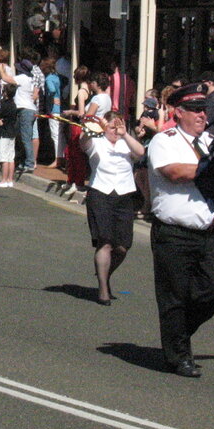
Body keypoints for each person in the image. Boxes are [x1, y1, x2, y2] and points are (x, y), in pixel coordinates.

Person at [147, 83, 214, 377]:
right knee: (174, 296)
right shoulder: (165, 140)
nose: (203, 115)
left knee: (213, 291)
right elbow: (174, 173)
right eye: (196, 110)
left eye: (204, 110)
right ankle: (178, 356)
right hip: (173, 233)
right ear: (179, 113)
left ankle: (176, 336)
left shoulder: (211, 143)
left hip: (207, 231)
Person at [81, 111, 145, 305]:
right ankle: (102, 290)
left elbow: (141, 153)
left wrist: (125, 134)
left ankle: (105, 273)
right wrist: (93, 128)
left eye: (118, 127)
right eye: (112, 127)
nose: (115, 132)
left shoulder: (126, 143)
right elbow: (84, 142)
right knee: (105, 242)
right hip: (100, 193)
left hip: (124, 195)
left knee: (122, 247)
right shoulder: (96, 142)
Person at [0, 84, 18, 188]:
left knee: (3, 158)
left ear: (5, 93)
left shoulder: (5, 105)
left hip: (3, 133)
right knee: (11, 158)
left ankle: (3, 180)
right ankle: (10, 180)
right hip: (12, 132)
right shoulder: (14, 105)